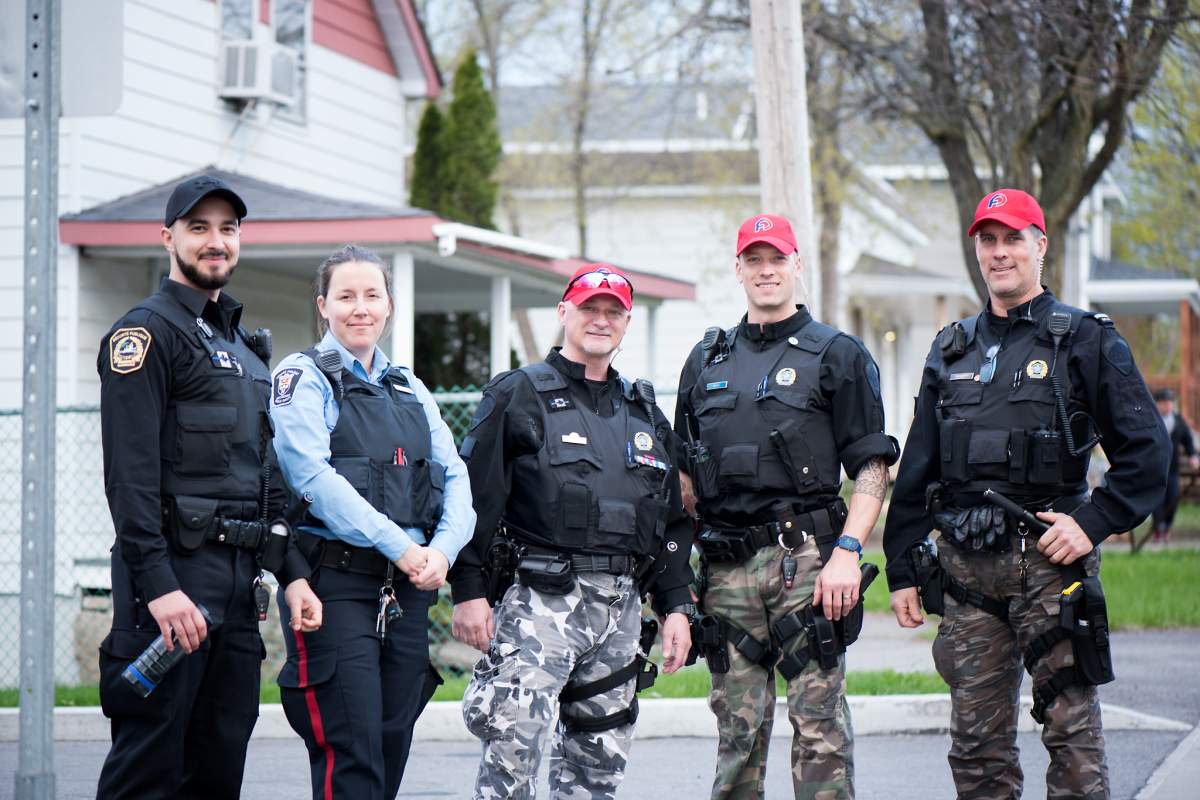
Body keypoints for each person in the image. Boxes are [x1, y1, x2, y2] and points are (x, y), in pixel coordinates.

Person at [882, 188, 1169, 799]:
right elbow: (919, 468)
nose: (1000, 252)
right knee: (976, 748)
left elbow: (1148, 453)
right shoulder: (951, 347)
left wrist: (1093, 521)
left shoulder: (1086, 340)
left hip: (1050, 567)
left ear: (1042, 246)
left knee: (1071, 737)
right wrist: (902, 568)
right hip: (965, 573)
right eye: (988, 239)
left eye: (1013, 238)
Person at [95, 175, 323, 799]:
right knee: (149, 771)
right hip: (173, 589)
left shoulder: (245, 350)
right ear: (168, 238)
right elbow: (129, 477)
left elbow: (266, 478)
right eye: (199, 228)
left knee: (219, 769)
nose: (215, 241)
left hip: (238, 595)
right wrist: (159, 588)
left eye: (227, 228)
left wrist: (293, 571)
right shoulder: (146, 335)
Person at [448, 263, 694, 800]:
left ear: (626, 323)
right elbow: (473, 500)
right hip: (539, 605)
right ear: (564, 313)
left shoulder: (645, 412)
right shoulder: (519, 394)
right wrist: (468, 592)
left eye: (613, 312)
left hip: (621, 612)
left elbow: (672, 520)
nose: (600, 320)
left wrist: (676, 606)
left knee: (598, 768)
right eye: (589, 309)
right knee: (512, 757)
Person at [675, 214, 898, 800]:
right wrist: (686, 573)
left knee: (819, 728)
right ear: (739, 269)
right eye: (755, 259)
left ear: (797, 265)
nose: (766, 270)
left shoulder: (837, 355)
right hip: (725, 572)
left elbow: (872, 465)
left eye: (777, 259)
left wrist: (849, 552)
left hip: (809, 564)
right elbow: (684, 480)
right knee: (736, 733)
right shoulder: (706, 362)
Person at [268, 244, 476, 798]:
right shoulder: (302, 377)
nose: (360, 308)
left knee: (390, 744)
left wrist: (443, 552)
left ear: (389, 306)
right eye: (346, 296)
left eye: (372, 295)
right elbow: (311, 477)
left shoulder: (408, 386)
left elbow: (455, 477)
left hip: (405, 594)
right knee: (352, 752)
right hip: (335, 587)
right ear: (323, 306)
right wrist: (400, 548)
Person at [1152, 388, 1197, 543]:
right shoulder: (1152, 419)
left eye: (1170, 402)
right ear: (1157, 404)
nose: (1168, 405)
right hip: (1155, 469)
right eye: (1164, 402)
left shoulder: (1178, 420)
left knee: (1173, 498)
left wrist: (1192, 455)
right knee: (1157, 501)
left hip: (1172, 469)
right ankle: (1158, 529)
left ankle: (1167, 527)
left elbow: (1188, 440)